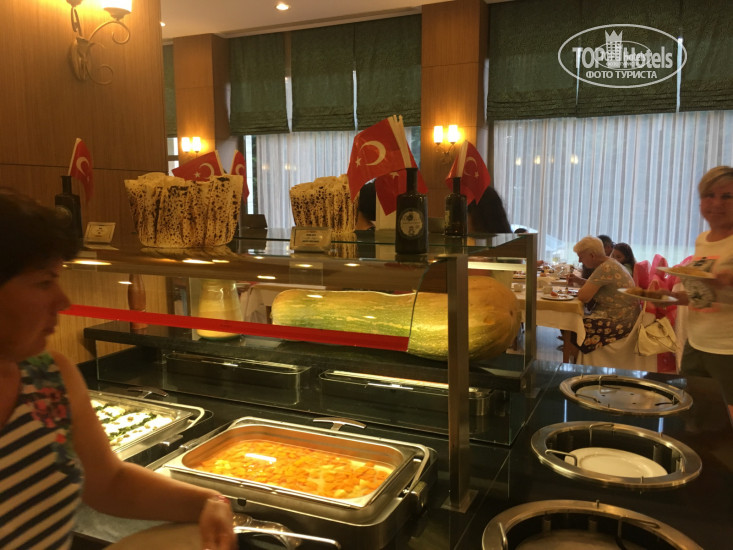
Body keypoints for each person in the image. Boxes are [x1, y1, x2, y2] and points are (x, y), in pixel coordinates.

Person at [0, 188, 236, 550]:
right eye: (44, 282)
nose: (63, 301)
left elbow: (109, 482)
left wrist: (209, 501)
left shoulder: (49, 378)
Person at [662, 166, 733, 411]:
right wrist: (670, 297)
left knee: (725, 422)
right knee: (694, 414)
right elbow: (703, 296)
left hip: (727, 349)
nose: (716, 203)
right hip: (695, 344)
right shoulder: (703, 240)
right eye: (709, 195)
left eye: (727, 196)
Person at [567, 235, 640, 355]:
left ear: (592, 255)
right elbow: (600, 286)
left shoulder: (605, 268)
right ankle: (575, 356)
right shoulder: (610, 263)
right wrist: (579, 281)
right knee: (572, 320)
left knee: (571, 324)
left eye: (581, 257)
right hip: (628, 317)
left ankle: (575, 361)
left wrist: (581, 289)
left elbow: (583, 297)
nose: (580, 261)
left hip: (619, 322)